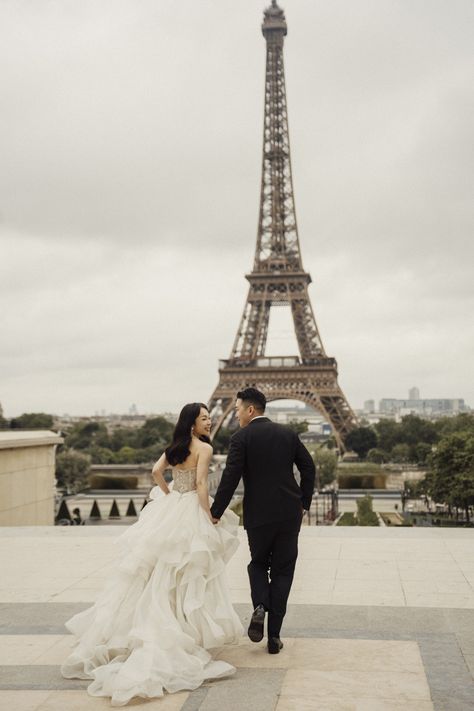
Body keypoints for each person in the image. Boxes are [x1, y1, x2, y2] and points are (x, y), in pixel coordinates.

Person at [61, 403, 243, 707]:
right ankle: (183, 629)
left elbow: (157, 472)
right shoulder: (204, 449)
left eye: (210, 416)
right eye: (205, 418)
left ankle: (153, 626)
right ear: (192, 423)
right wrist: (209, 514)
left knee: (159, 573)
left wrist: (169, 496)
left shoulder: (174, 447)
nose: (210, 421)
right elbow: (200, 484)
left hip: (169, 508)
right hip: (190, 510)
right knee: (188, 574)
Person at [210, 387, 316, 654]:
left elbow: (230, 478)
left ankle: (260, 605)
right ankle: (274, 637)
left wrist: (216, 510)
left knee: (258, 564)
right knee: (283, 571)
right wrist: (304, 501)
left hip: (258, 514)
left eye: (236, 409)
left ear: (250, 410)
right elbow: (309, 467)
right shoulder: (287, 434)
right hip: (289, 514)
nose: (235, 415)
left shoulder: (240, 438)